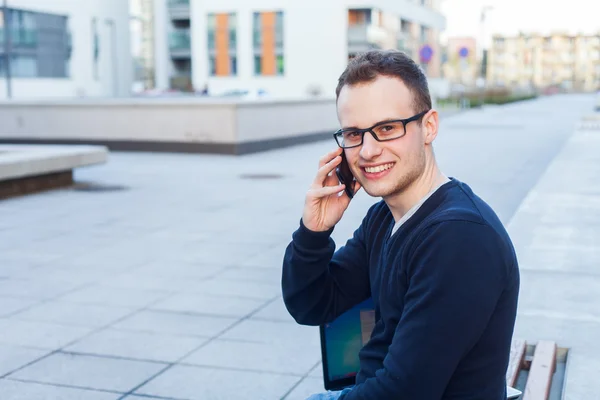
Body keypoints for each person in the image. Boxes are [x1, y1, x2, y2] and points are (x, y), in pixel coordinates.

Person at [281, 49, 520, 400]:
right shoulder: (386, 216)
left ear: (429, 127)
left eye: (387, 128)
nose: (367, 151)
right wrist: (314, 232)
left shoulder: (460, 238)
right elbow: (313, 304)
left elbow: (404, 392)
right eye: (353, 134)